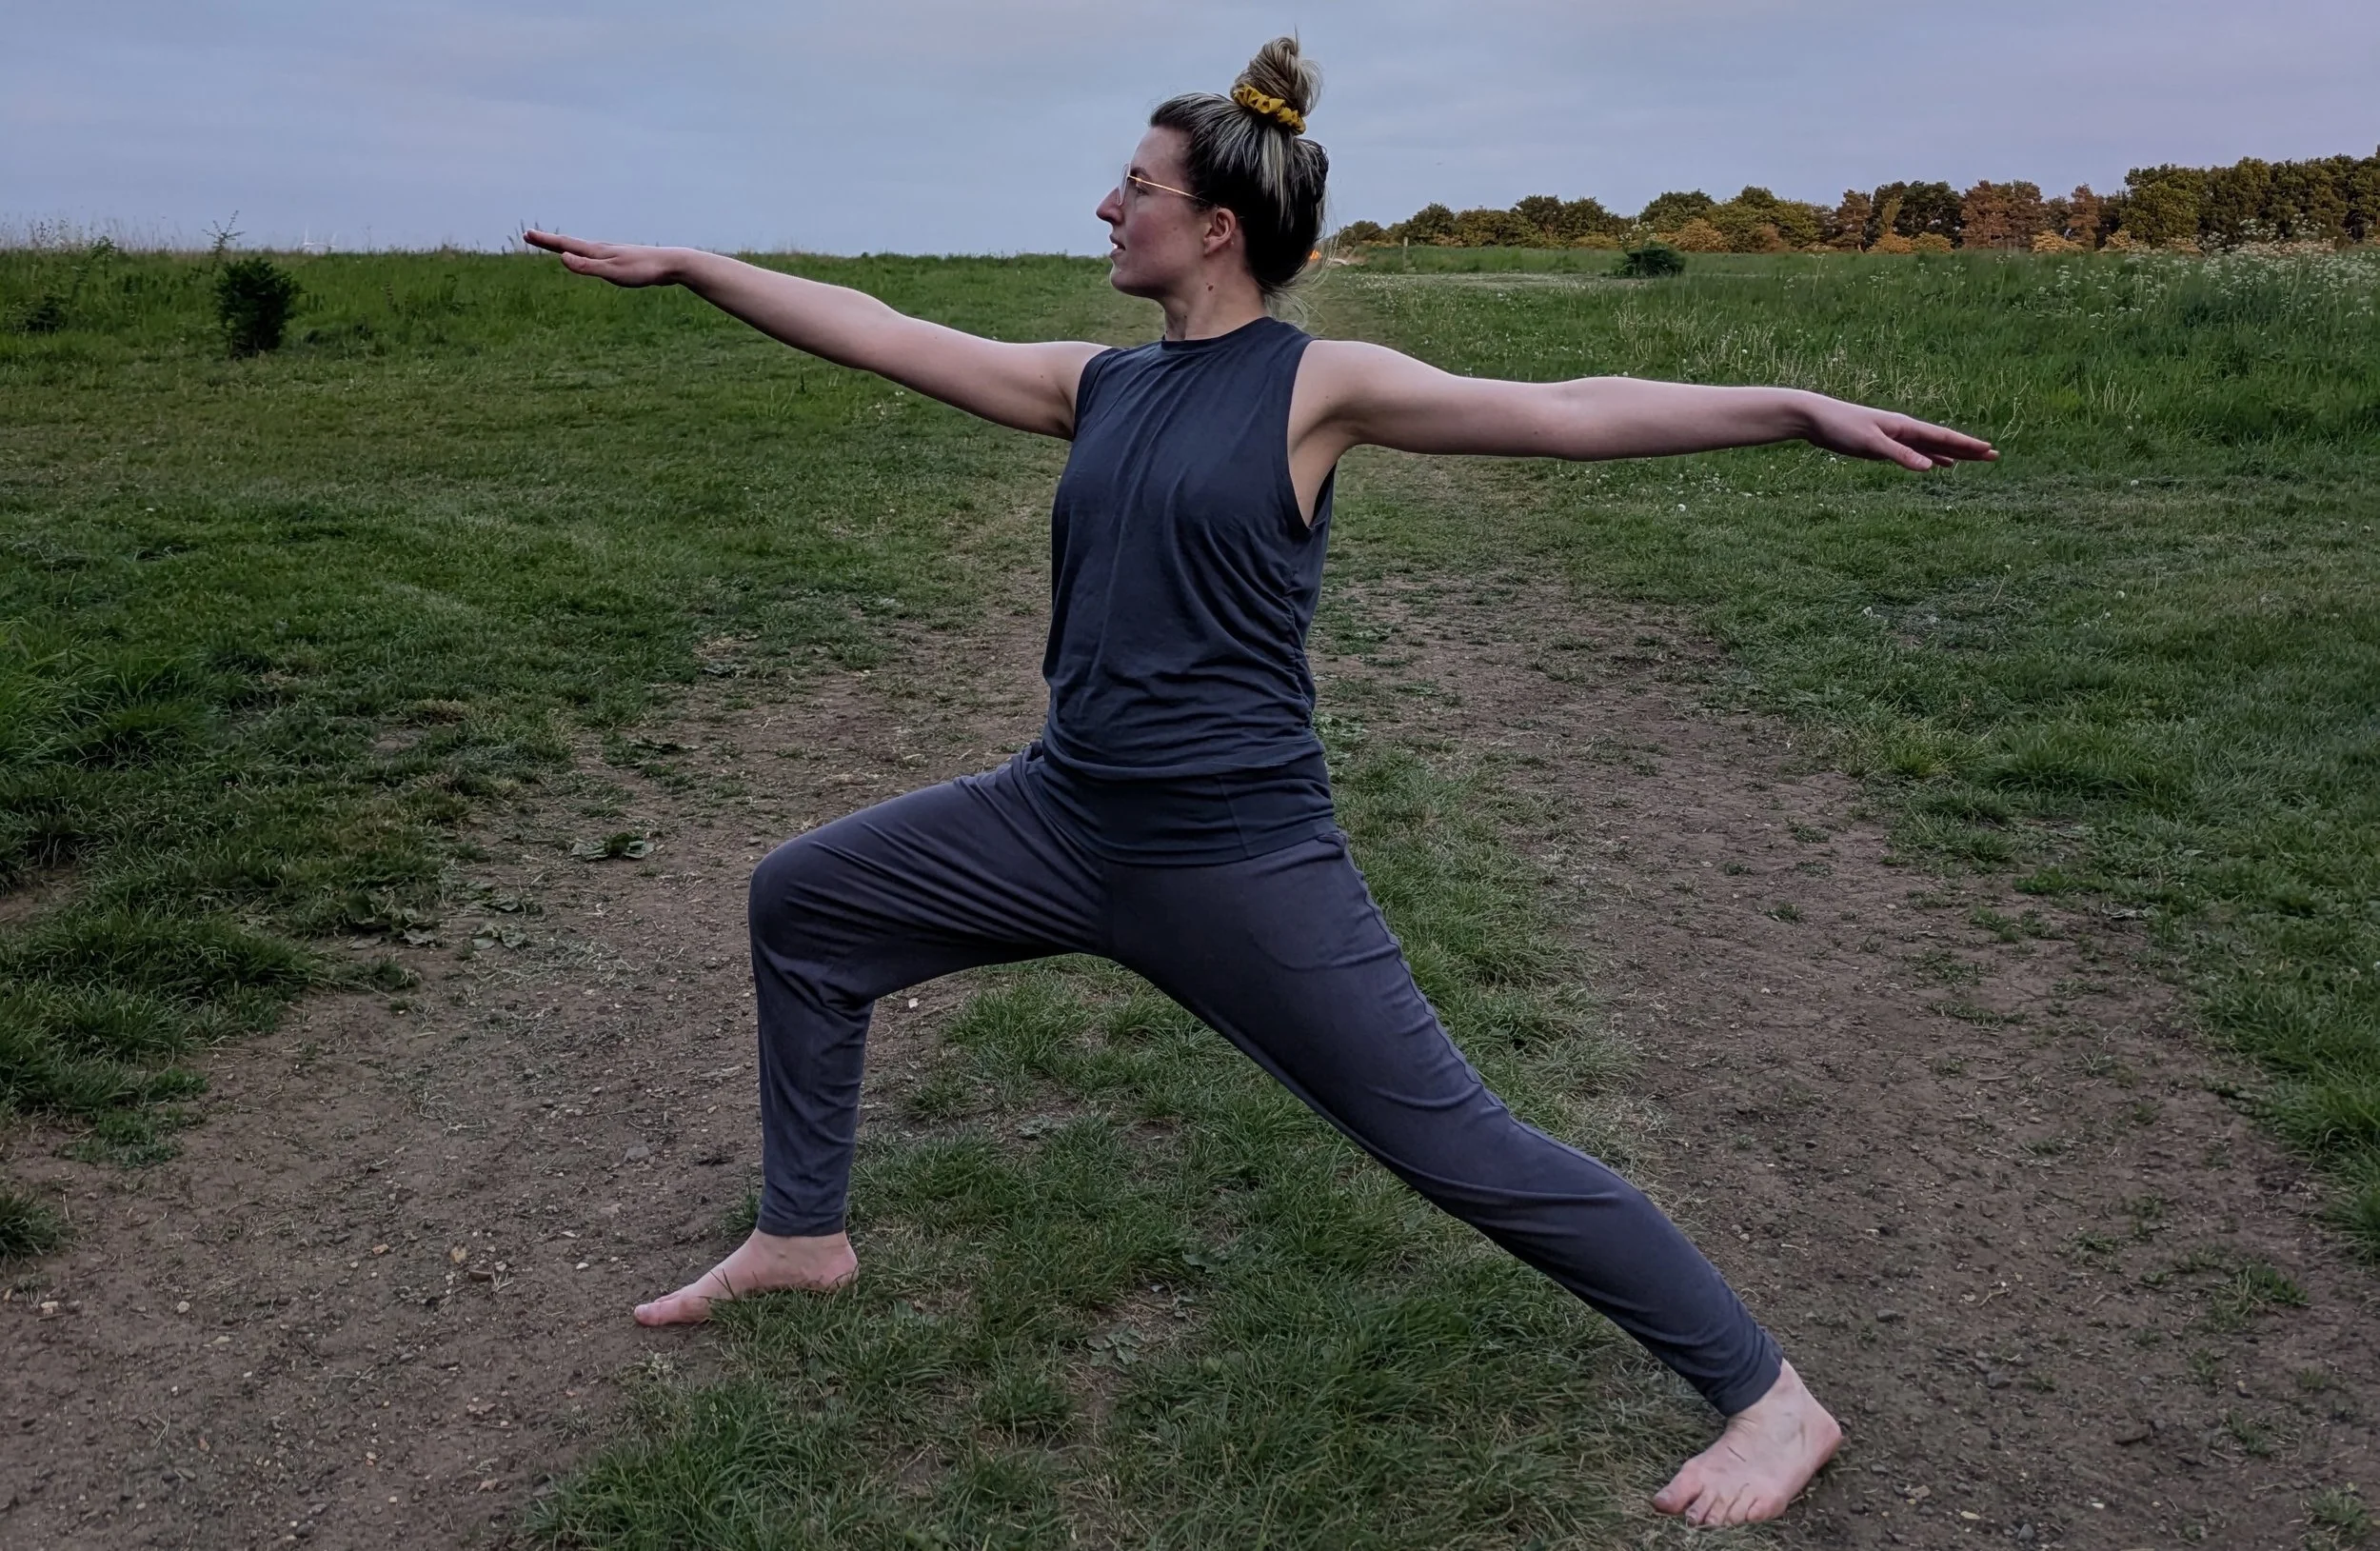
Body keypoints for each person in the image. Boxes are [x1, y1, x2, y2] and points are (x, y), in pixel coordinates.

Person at [526, 35, 1993, 1530]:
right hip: (1059, 815)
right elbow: (877, 325)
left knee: (1453, 1139)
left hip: (1234, 852)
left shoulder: (1317, 388)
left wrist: (1795, 406)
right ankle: (801, 1236)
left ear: (1215, 225)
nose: (1108, 208)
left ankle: (1769, 1396)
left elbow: (1567, 408)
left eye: (1134, 187)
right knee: (810, 903)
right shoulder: (1099, 387)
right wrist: (702, 266)